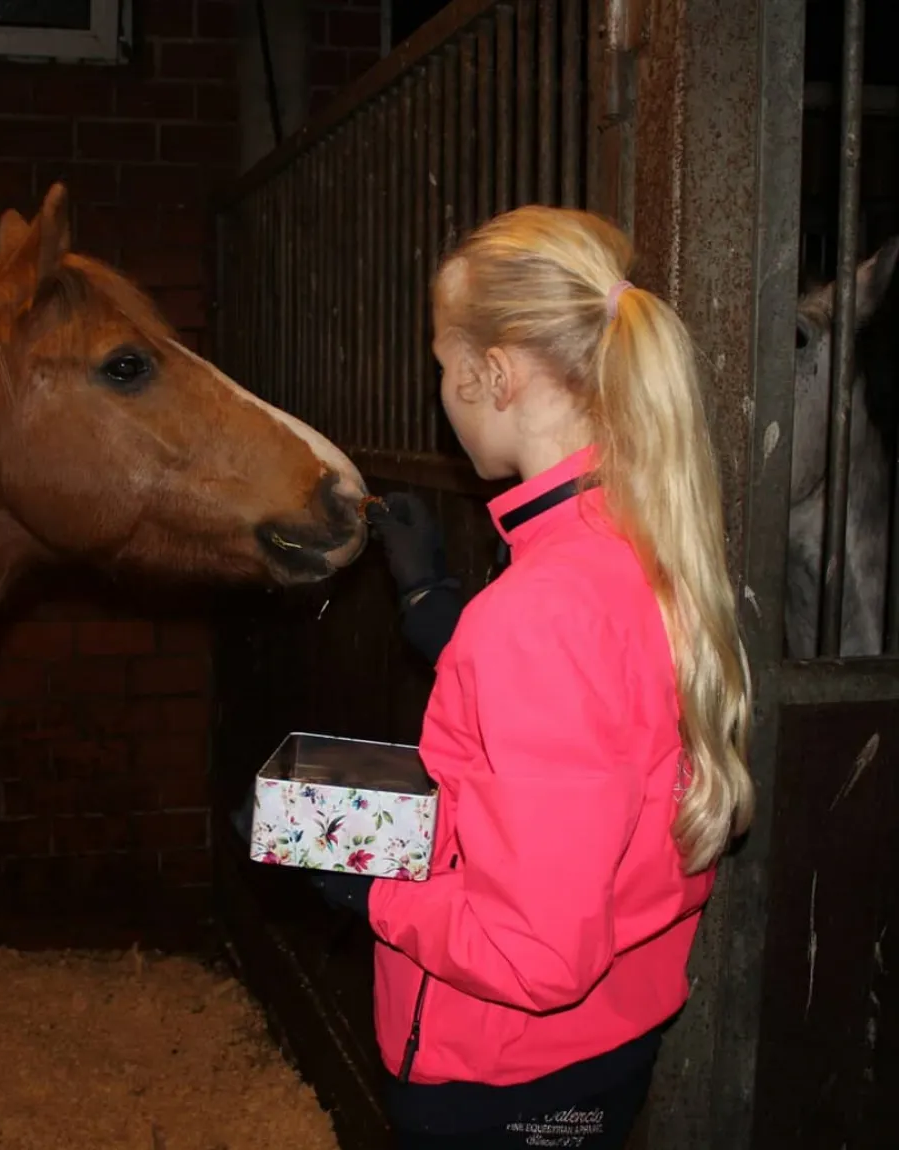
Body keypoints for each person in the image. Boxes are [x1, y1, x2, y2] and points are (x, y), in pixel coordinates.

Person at [244, 204, 755, 1148]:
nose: (441, 392)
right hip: (599, 1043)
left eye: (443, 366)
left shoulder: (540, 611)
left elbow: (539, 953)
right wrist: (439, 606)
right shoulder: (637, 543)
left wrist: (358, 884)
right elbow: (580, 743)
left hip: (503, 1075)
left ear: (496, 373)